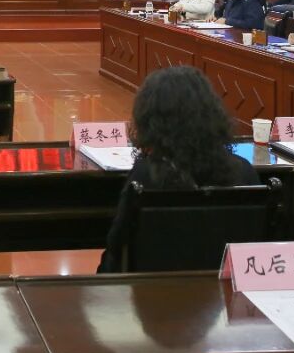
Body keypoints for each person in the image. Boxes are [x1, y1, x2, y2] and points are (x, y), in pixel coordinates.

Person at [98, 66, 259, 272]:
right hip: (225, 289)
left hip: (156, 290)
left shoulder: (146, 176)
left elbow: (116, 250)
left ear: (151, 122)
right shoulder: (244, 171)